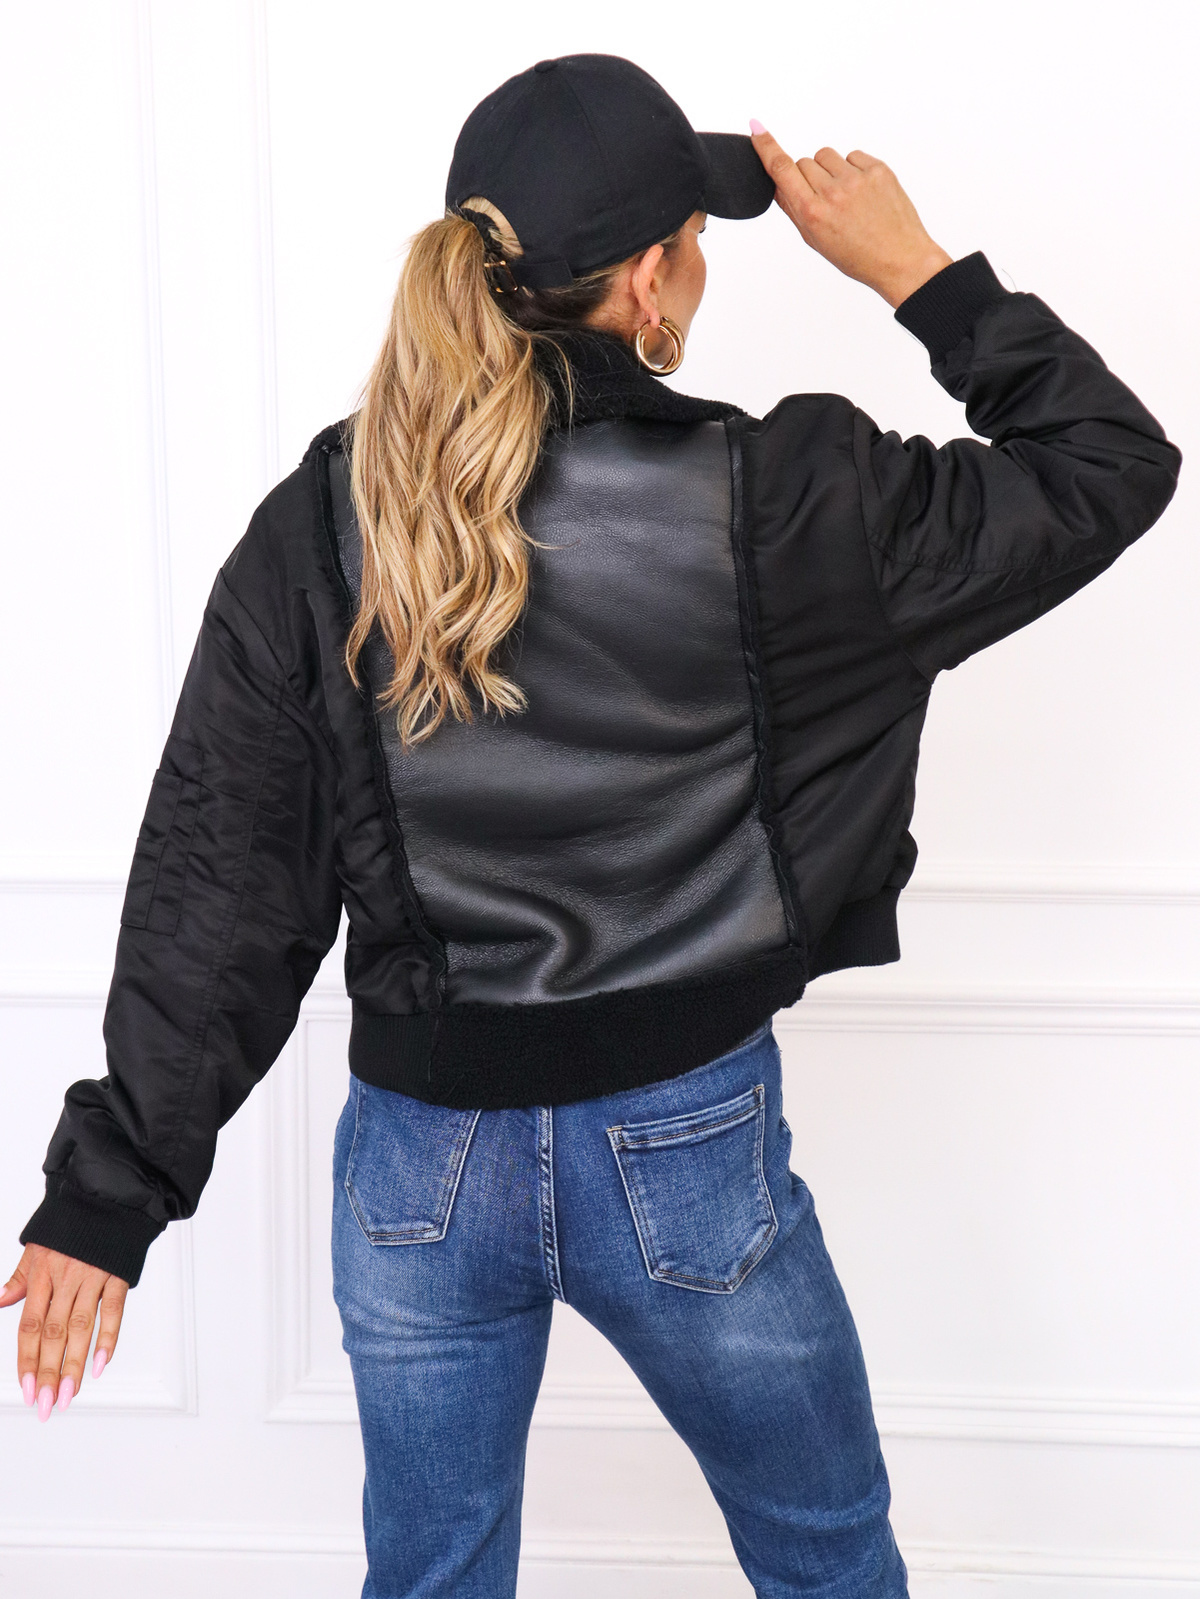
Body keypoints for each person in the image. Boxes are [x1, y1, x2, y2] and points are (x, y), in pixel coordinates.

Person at [3, 50, 1180, 1599]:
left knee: (432, 1578)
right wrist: (922, 275)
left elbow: (223, 875)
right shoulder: (787, 500)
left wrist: (109, 1194)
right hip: (686, 1151)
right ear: (646, 282)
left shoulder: (328, 521)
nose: (699, 265)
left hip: (419, 1173)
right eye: (694, 239)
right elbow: (1107, 464)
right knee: (828, 1558)